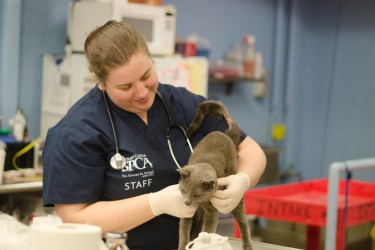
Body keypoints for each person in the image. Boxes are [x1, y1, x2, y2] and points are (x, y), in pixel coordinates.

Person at [42, 20, 266, 250]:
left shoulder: (181, 104)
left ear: (152, 60)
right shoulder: (76, 132)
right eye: (125, 86)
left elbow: (249, 148)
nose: (141, 92)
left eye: (146, 75)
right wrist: (154, 204)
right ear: (101, 83)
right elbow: (71, 218)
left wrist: (243, 180)